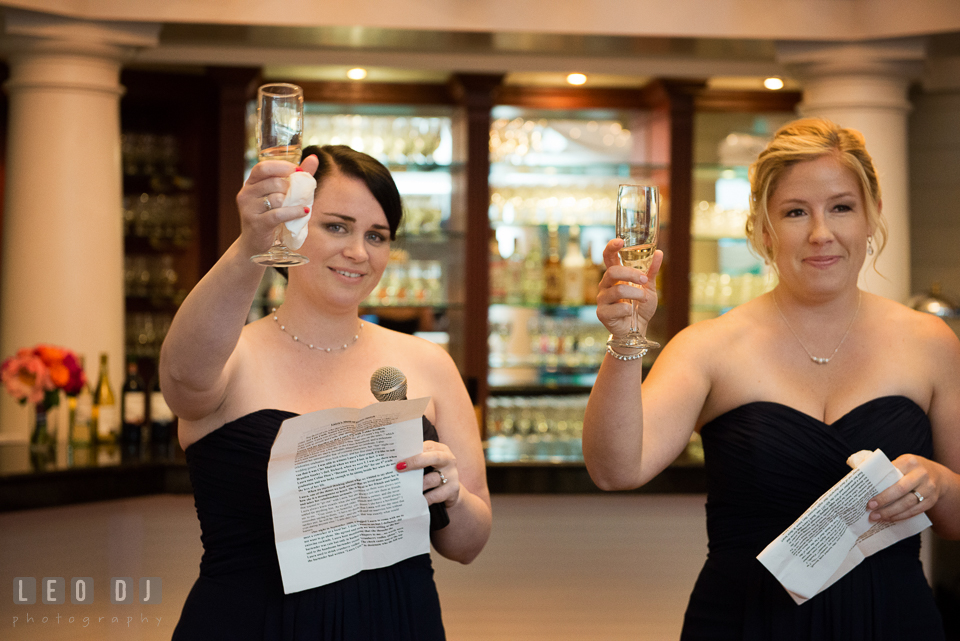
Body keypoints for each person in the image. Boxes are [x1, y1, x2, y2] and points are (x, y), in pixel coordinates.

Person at [583, 118, 960, 639]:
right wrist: (625, 339)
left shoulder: (930, 343)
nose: (820, 233)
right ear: (762, 228)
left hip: (890, 619)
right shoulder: (710, 345)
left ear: (872, 216)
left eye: (841, 208)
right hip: (745, 622)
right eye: (795, 212)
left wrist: (940, 485)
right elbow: (615, 469)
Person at [163, 144, 492, 640]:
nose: (358, 252)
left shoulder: (428, 363)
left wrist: (453, 497)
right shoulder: (231, 356)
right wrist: (251, 240)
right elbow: (182, 381)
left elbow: (468, 545)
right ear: (292, 226)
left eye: (376, 236)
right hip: (253, 623)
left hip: (399, 621)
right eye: (336, 226)